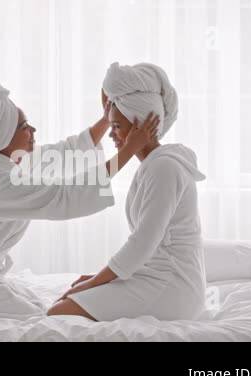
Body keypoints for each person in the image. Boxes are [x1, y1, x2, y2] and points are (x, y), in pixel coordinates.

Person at [0, 77, 160, 318]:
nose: (33, 130)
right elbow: (64, 198)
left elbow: (67, 153)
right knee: (37, 318)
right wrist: (129, 149)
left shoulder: (10, 161)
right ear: (3, 136)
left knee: (42, 304)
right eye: (24, 126)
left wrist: (107, 121)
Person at [48, 62, 207, 321]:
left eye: (117, 126)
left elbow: (142, 242)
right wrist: (101, 278)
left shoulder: (164, 168)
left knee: (59, 312)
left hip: (172, 288)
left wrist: (95, 283)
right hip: (154, 276)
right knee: (62, 307)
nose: (111, 134)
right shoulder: (154, 164)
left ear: (140, 126)